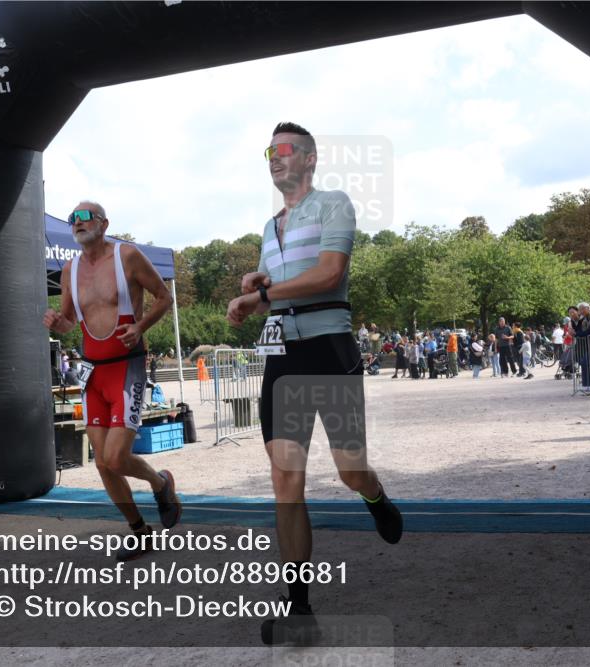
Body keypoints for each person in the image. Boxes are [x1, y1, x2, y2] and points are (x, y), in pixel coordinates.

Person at [226, 122, 402, 645]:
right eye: (269, 152)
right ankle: (299, 608)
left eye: (284, 151)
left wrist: (263, 293)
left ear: (309, 159)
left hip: (329, 349)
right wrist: (251, 292)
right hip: (283, 356)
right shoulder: (267, 227)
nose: (275, 159)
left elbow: (328, 274)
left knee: (350, 470)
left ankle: (375, 497)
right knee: (286, 480)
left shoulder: (334, 204)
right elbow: (271, 291)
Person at [43, 200, 181, 561]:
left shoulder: (128, 256)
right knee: (103, 463)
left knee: (116, 457)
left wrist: (139, 327)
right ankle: (139, 531)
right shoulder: (69, 270)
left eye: (85, 217)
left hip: (126, 367)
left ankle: (160, 483)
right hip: (93, 372)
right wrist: (60, 324)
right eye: (73, 218)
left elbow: (163, 298)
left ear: (104, 224)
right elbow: (72, 320)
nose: (76, 222)